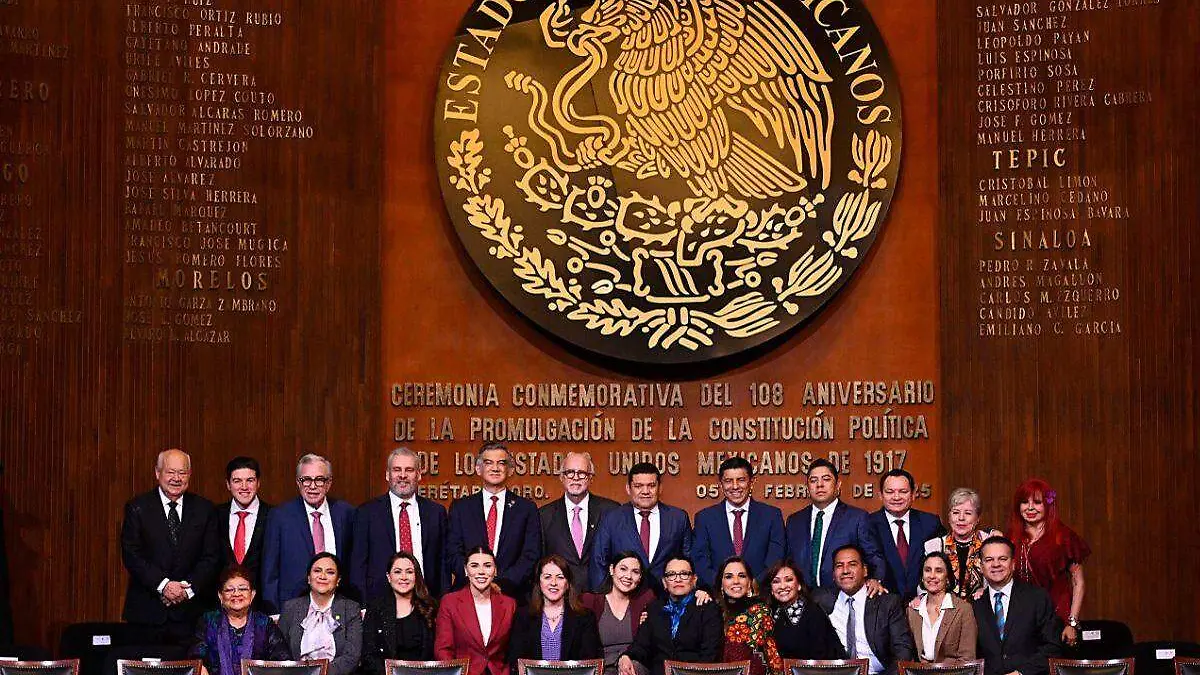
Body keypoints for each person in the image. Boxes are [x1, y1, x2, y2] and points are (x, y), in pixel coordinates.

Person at [121, 448, 221, 645]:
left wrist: (185, 590)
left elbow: (211, 556)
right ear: (158, 473)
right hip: (147, 613)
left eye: (182, 473)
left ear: (189, 475)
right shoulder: (137, 507)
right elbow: (132, 554)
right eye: (170, 472)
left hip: (192, 614)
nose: (176, 478)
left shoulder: (205, 509)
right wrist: (163, 585)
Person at [446, 443, 543, 599]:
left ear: (510, 470)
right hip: (467, 595)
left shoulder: (526, 509)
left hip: (512, 595)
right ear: (478, 469)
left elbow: (531, 555)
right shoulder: (460, 508)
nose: (495, 468)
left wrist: (502, 583)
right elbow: (452, 551)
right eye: (488, 463)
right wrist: (477, 579)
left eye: (501, 463)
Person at [352, 447, 449, 600]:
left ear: (418, 475)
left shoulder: (436, 512)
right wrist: (362, 604)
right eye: (397, 470)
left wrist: (444, 602)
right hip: (380, 602)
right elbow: (358, 564)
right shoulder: (367, 513)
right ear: (387, 475)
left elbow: (443, 564)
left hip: (426, 601)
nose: (403, 475)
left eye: (409, 470)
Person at [262, 454, 357, 610]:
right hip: (292, 609)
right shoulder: (280, 516)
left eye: (319, 480)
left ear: (329, 483)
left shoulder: (346, 513)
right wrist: (274, 611)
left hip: (338, 607)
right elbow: (269, 572)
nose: (312, 486)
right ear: (298, 483)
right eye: (306, 480)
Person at [1006, 478, 1090, 647]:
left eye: (1037, 502)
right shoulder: (1011, 537)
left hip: (1056, 617)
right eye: (1024, 502)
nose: (1030, 508)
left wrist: (1071, 622)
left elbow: (1078, 581)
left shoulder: (1062, 537)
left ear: (1047, 505)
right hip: (1021, 619)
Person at [784, 459, 886, 591]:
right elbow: (789, 561)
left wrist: (875, 579)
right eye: (813, 480)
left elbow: (873, 556)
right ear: (807, 487)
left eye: (826, 479)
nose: (819, 485)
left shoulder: (857, 518)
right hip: (804, 598)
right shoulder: (795, 521)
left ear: (838, 485)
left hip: (842, 598)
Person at [813, 545, 915, 675]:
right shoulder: (820, 600)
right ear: (833, 574)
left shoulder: (887, 603)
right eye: (839, 566)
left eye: (852, 564)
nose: (845, 571)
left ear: (865, 570)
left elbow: (903, 652)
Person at [591, 463, 693, 592]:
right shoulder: (612, 518)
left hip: (668, 599)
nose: (645, 491)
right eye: (638, 486)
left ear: (660, 488)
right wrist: (602, 599)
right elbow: (599, 561)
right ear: (628, 488)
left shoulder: (678, 518)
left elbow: (689, 559)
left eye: (651, 486)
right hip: (625, 600)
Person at [618, 556, 723, 675]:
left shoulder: (708, 609)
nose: (678, 579)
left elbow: (710, 653)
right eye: (671, 574)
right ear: (664, 582)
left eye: (684, 574)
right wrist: (626, 656)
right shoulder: (654, 608)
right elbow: (641, 645)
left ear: (694, 580)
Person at [972, 537, 1062, 675]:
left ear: (1013, 564)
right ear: (981, 566)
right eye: (989, 560)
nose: (996, 564)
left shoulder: (1037, 597)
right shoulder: (973, 605)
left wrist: (1021, 673)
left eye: (1002, 559)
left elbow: (1053, 646)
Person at [693, 457, 785, 588]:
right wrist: (724, 585)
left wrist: (755, 584)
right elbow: (700, 560)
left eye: (741, 480)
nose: (735, 486)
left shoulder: (771, 515)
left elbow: (776, 558)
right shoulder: (704, 518)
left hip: (761, 596)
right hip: (719, 598)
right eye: (728, 481)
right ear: (721, 484)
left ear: (751, 482)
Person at [189, 565, 289, 675]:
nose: (236, 594)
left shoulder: (265, 624)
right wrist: (201, 667)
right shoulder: (208, 621)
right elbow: (196, 657)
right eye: (229, 590)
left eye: (242, 589)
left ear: (252, 594)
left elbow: (283, 661)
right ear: (220, 596)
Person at [539, 452, 619, 590]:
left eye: (582, 473)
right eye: (570, 472)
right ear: (561, 477)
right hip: (560, 597)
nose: (575, 478)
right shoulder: (544, 515)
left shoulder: (611, 511)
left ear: (590, 478)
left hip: (601, 596)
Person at [435, 546, 517, 675]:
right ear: (466, 570)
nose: (481, 571)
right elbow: (443, 650)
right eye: (474, 566)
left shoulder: (509, 604)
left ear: (495, 571)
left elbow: (512, 651)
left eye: (487, 566)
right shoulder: (450, 602)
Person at [509, 554, 603, 665]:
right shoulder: (523, 616)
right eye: (547, 577)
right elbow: (516, 662)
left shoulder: (585, 617)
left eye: (560, 577)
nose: (553, 583)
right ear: (539, 582)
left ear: (567, 584)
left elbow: (589, 662)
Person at [278, 553, 363, 675]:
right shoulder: (290, 608)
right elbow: (280, 652)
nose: (322, 576)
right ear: (308, 578)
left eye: (330, 572)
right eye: (317, 571)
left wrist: (320, 672)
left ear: (338, 580)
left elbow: (352, 657)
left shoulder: (350, 608)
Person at [867, 470, 945, 598]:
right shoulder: (867, 524)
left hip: (925, 604)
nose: (896, 497)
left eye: (903, 492)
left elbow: (947, 557)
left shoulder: (930, 523)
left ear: (913, 494)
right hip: (883, 604)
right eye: (890, 492)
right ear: (880, 495)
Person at [361, 552, 438, 675]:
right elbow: (368, 655)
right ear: (388, 577)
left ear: (416, 576)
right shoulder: (375, 608)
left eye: (409, 572)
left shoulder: (431, 607)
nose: (404, 577)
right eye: (397, 572)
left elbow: (435, 653)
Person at [582, 552, 658, 675]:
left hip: (633, 665)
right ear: (612, 570)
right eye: (623, 569)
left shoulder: (646, 601)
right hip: (600, 668)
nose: (628, 576)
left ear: (640, 578)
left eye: (635, 572)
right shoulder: (591, 602)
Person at [923, 488, 1001, 601]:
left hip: (982, 607)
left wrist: (988, 590)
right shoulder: (933, 545)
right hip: (945, 610)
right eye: (955, 512)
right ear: (949, 517)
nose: (961, 518)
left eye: (968, 513)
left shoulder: (989, 542)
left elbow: (1000, 577)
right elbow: (924, 583)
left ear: (977, 518)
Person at [760, 560, 845, 661]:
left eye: (788, 580)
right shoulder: (769, 614)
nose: (782, 586)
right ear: (771, 590)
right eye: (776, 581)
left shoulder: (814, 613)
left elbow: (823, 659)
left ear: (799, 585)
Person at [214, 457, 272, 606]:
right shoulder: (214, 515)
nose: (244, 486)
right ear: (228, 484)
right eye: (237, 481)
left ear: (258, 483)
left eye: (250, 480)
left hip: (262, 607)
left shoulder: (274, 516)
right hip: (220, 608)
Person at [716, 557, 783, 675]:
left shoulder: (760, 611)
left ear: (749, 583)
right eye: (729, 576)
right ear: (721, 584)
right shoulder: (713, 611)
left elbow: (770, 655)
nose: (736, 581)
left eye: (741, 576)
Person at [905, 552, 975, 663]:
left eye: (938, 571)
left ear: (947, 577)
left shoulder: (963, 610)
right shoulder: (912, 611)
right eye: (927, 570)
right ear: (922, 577)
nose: (932, 576)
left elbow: (967, 658)